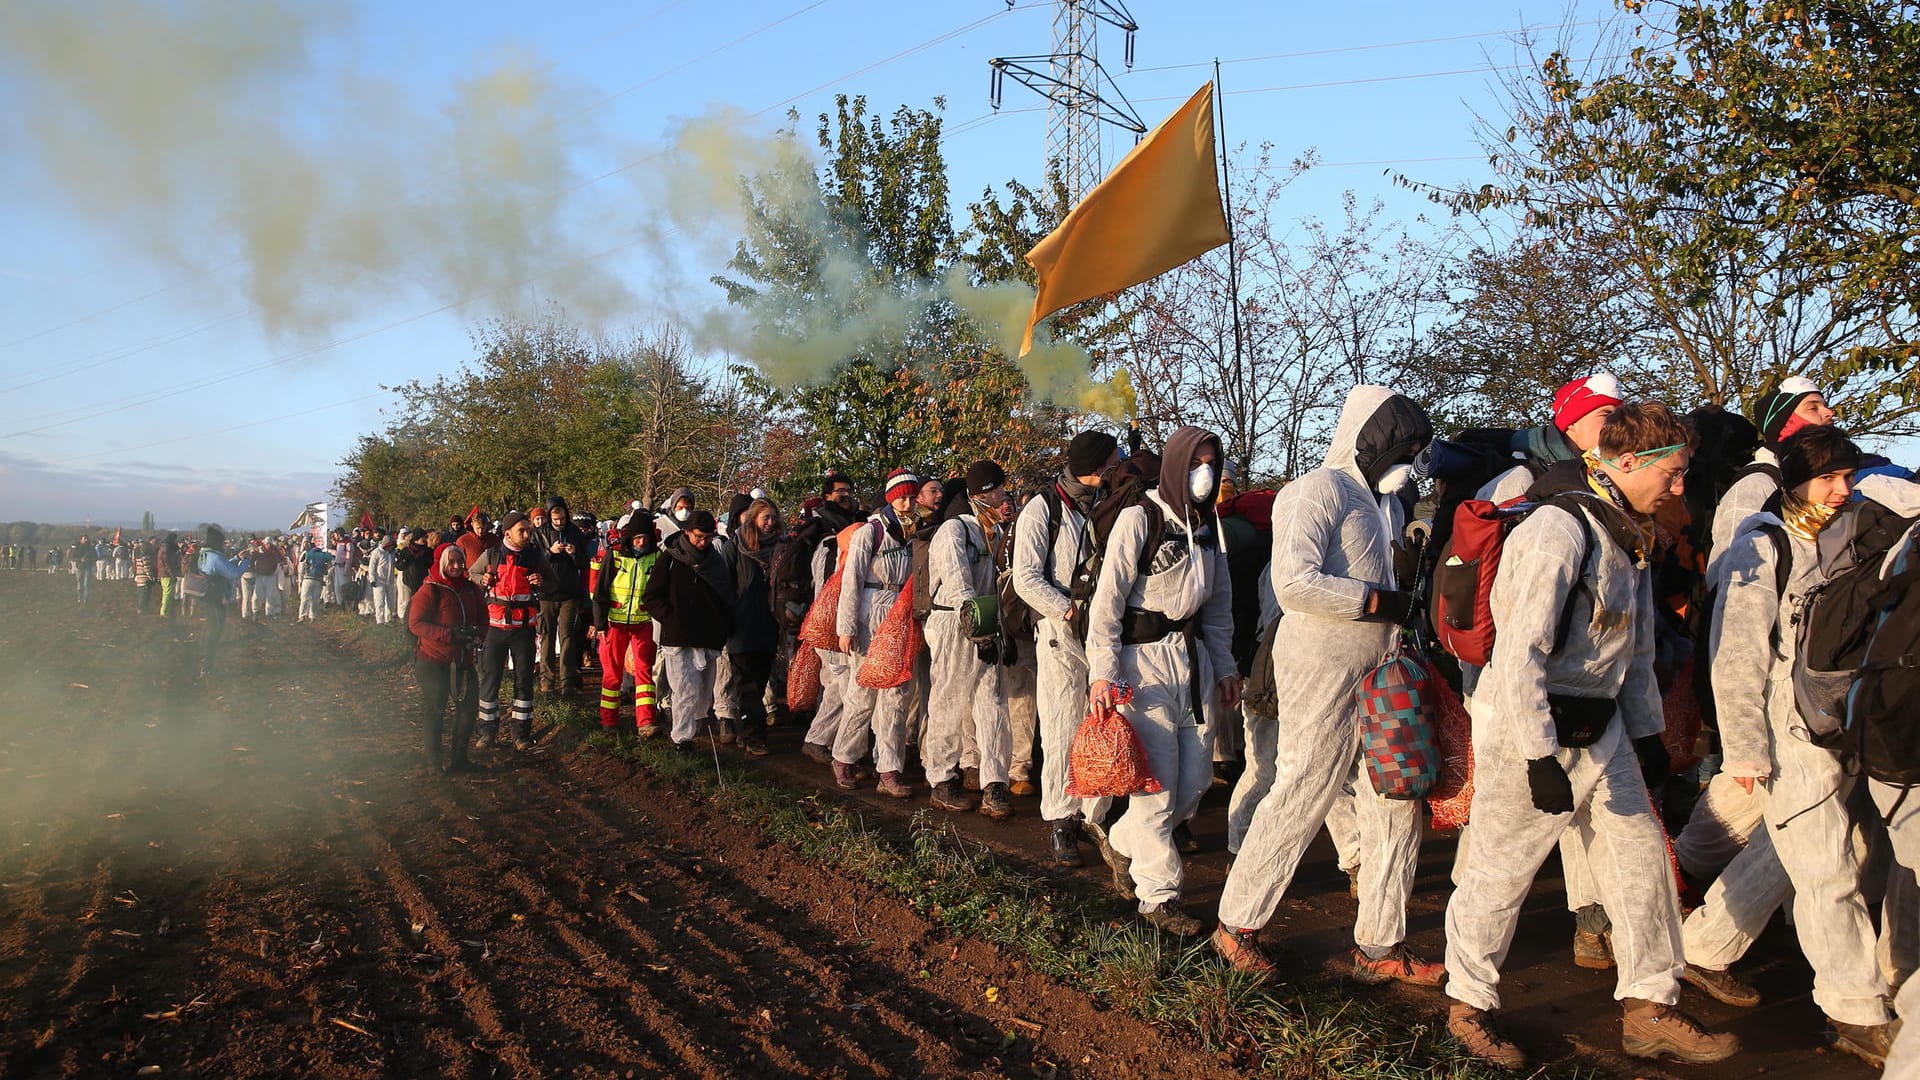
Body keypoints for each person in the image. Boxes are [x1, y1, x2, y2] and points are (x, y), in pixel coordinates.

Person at [1441, 402, 1738, 1069]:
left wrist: (1648, 734)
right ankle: (1468, 1004)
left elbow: (1631, 649)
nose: (1680, 486)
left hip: (1603, 731)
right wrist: (1539, 755)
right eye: (1675, 472)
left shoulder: (1623, 531)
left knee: (1640, 863)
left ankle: (1648, 1006)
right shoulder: (1557, 530)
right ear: (1627, 462)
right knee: (1499, 870)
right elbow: (1519, 653)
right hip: (1533, 729)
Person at [1676, 427, 1894, 1065]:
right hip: (1781, 731)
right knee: (1827, 870)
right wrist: (1743, 748)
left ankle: (1706, 946)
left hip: (1831, 730)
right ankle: (1854, 1009)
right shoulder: (1763, 544)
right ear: (1794, 477)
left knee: (1789, 846)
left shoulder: (1846, 541)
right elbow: (1736, 656)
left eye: (1847, 477)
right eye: (1828, 477)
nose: (1841, 489)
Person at [1213, 386, 1440, 983]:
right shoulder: (1315, 490)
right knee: (1304, 785)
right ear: (1366, 438)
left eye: (1414, 449)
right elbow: (1294, 583)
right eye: (1398, 447)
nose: (1406, 460)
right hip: (1319, 659)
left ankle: (1380, 944)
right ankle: (1237, 924)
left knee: (1395, 796)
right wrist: (1375, 599)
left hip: (1381, 663)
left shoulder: (1386, 503)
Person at [1081, 427, 1238, 934]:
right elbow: (1106, 605)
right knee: (1156, 788)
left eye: (1212, 463)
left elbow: (1218, 609)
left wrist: (1226, 665)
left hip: (1193, 663)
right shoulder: (1140, 519)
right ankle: (1157, 897)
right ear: (1176, 465)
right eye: (1197, 463)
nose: (1205, 474)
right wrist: (1103, 673)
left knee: (1193, 784)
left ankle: (1122, 842)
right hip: (1141, 664)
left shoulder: (1210, 526)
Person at [1013, 430, 1121, 866]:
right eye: (1114, 460)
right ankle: (1061, 820)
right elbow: (1025, 576)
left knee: (1099, 725)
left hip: (1103, 631)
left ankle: (1096, 816)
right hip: (1060, 635)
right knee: (1061, 727)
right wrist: (1067, 610)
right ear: (1094, 466)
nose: (1120, 465)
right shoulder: (1044, 509)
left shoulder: (1112, 504)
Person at [925, 462, 1015, 818]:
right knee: (948, 698)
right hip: (954, 623)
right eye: (995, 491)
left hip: (986, 624)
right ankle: (942, 780)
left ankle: (995, 782)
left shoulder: (992, 533)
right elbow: (959, 584)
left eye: (1002, 489)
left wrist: (997, 633)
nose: (1002, 496)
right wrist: (978, 632)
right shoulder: (953, 530)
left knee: (992, 703)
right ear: (977, 495)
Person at [834, 470, 922, 795]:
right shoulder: (869, 534)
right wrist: (846, 628)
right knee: (862, 694)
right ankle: (844, 757)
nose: (908, 502)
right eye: (902, 496)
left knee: (897, 697)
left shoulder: (915, 534)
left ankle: (889, 769)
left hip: (901, 615)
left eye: (913, 496)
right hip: (870, 615)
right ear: (890, 498)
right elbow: (851, 581)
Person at [643, 509, 734, 749]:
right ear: (686, 533)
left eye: (707, 537)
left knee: (704, 690)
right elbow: (651, 596)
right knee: (685, 688)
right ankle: (681, 739)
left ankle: (696, 726)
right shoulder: (671, 558)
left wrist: (723, 625)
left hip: (708, 635)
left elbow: (726, 597)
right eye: (697, 537)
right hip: (678, 636)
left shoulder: (715, 561)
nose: (702, 542)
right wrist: (670, 618)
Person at [798, 474, 868, 762]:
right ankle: (823, 741)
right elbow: (828, 587)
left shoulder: (845, 529)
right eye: (840, 491)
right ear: (827, 495)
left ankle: (823, 740)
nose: (846, 495)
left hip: (835, 623)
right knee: (843, 687)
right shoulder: (825, 538)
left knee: (838, 685)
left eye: (849, 490)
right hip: (829, 622)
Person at [470, 511, 552, 751]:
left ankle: (521, 735)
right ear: (507, 533)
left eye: (528, 530)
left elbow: (554, 581)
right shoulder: (492, 555)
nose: (527, 535)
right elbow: (471, 574)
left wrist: (541, 580)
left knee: (524, 681)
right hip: (494, 629)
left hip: (523, 630)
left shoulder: (535, 556)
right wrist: (483, 578)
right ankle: (487, 733)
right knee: (490, 679)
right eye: (522, 531)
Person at [408, 542, 486, 773]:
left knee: (468, 709)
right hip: (433, 660)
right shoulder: (430, 589)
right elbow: (415, 623)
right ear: (442, 563)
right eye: (451, 561)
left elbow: (484, 616)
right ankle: (434, 763)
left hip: (463, 660)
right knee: (435, 710)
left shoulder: (471, 589)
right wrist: (448, 635)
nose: (456, 565)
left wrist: (478, 636)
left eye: (459, 561)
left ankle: (459, 759)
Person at [593, 507, 663, 737]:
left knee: (644, 673)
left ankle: (645, 722)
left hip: (643, 623)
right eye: (638, 538)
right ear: (630, 537)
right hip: (614, 623)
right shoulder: (614, 557)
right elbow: (600, 592)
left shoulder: (657, 557)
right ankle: (608, 720)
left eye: (645, 538)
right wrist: (600, 624)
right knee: (612, 673)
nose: (641, 542)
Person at [721, 498, 782, 756]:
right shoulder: (734, 546)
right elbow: (723, 585)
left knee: (759, 680)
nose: (770, 523)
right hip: (741, 624)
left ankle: (745, 729)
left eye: (773, 518)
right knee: (746, 684)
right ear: (753, 518)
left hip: (769, 624)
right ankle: (755, 736)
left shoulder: (781, 548)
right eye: (765, 518)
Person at [534, 496, 592, 694]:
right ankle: (547, 681)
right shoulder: (539, 533)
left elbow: (584, 562)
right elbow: (534, 561)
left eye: (562, 519)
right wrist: (550, 552)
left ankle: (568, 681)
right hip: (547, 593)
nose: (559, 523)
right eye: (555, 519)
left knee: (567, 636)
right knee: (547, 637)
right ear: (549, 517)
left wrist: (574, 552)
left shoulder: (574, 532)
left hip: (569, 592)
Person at [195, 526, 247, 678]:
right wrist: (245, 561)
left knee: (214, 630)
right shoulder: (215, 557)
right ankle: (207, 667)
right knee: (215, 631)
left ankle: (207, 664)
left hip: (207, 597)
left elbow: (220, 566)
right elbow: (233, 573)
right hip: (215, 598)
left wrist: (236, 558)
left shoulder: (205, 554)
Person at [298, 539, 332, 622]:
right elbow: (329, 564)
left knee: (304, 598)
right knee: (315, 599)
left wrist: (300, 580)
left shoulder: (307, 554)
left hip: (307, 579)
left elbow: (302, 567)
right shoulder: (324, 555)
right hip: (318, 580)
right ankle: (313, 617)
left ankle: (302, 616)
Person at [367, 532, 397, 625]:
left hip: (390, 580)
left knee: (391, 601)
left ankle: (389, 619)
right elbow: (371, 567)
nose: (392, 548)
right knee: (379, 601)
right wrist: (372, 579)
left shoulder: (392, 553)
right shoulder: (377, 552)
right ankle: (380, 621)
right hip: (378, 581)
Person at [71, 535, 94, 604]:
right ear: (81, 540)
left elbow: (95, 557)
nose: (86, 540)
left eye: (87, 538)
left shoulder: (91, 548)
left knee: (86, 584)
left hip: (88, 567)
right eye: (84, 539)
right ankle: (79, 597)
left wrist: (90, 560)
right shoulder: (77, 548)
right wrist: (80, 559)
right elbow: (72, 557)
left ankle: (85, 599)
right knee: (80, 583)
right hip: (80, 567)